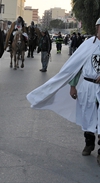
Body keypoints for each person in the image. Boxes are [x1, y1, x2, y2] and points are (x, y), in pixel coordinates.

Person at [27, 17, 100, 165]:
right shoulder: (88, 45)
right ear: (97, 27)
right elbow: (76, 67)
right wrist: (73, 86)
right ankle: (89, 143)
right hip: (87, 87)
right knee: (87, 115)